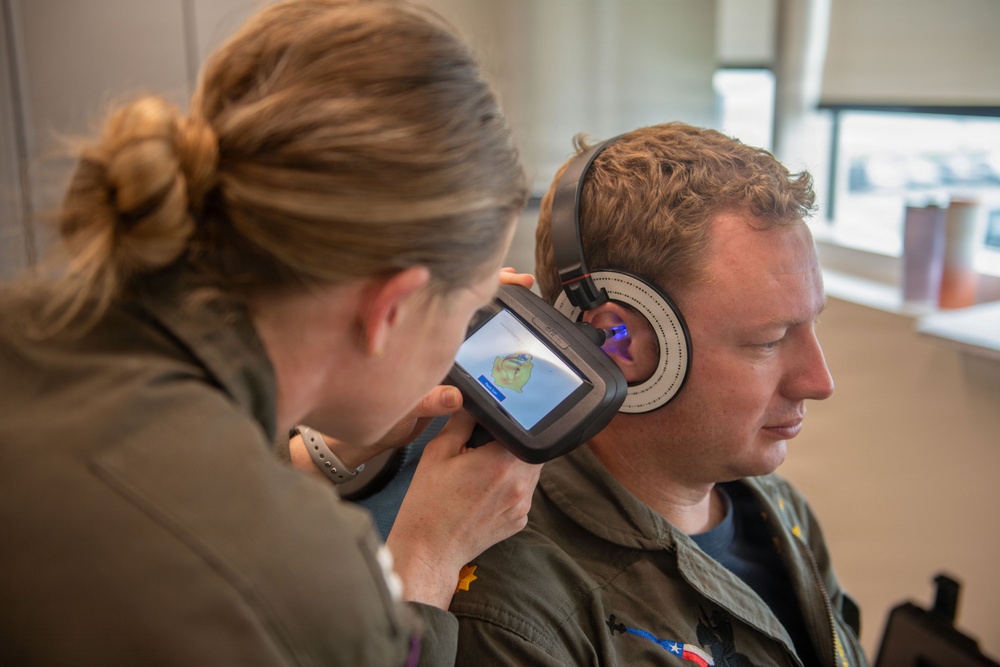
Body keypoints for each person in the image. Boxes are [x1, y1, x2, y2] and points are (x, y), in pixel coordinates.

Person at [0, 0, 542, 664]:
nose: (465, 334)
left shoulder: (31, 328)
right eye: (471, 305)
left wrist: (324, 454)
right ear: (390, 309)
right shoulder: (306, 582)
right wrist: (425, 559)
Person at [450, 122, 868, 666]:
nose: (819, 381)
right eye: (769, 341)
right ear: (621, 341)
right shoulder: (521, 616)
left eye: (811, 326)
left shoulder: (783, 514)